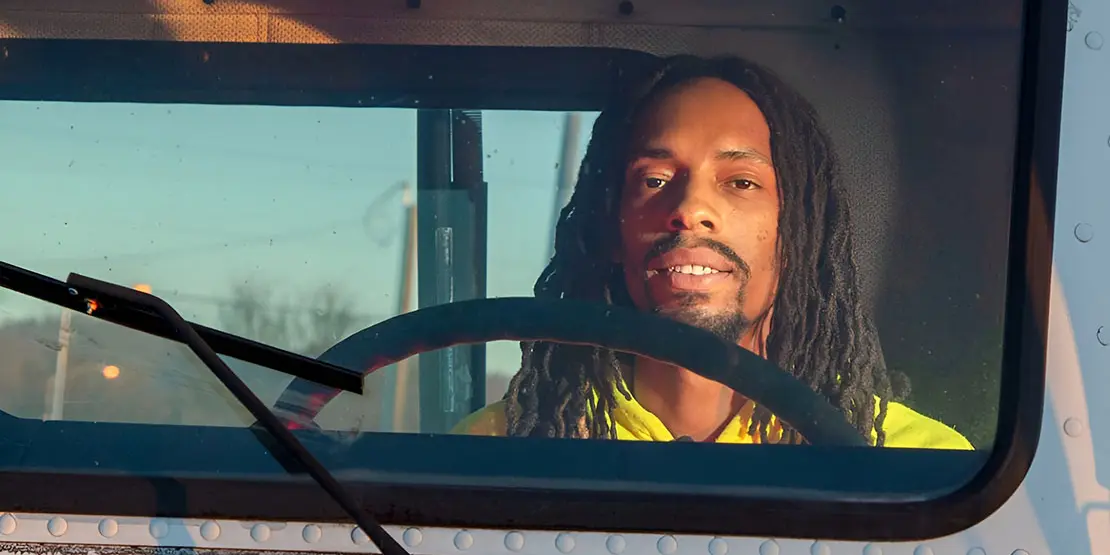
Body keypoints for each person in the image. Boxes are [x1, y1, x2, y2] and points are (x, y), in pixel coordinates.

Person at [452, 54, 972, 449]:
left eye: (741, 182)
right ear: (612, 232)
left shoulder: (918, 461)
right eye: (654, 179)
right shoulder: (500, 445)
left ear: (796, 236)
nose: (690, 207)